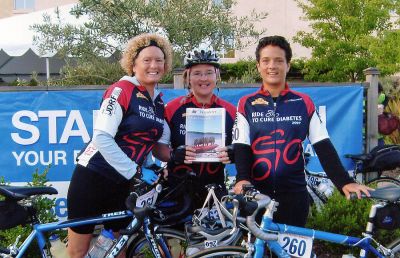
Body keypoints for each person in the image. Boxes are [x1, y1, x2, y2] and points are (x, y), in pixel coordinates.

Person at [232, 35, 371, 227]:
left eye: (279, 60)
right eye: (266, 61)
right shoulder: (246, 104)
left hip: (294, 197)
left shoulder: (303, 102)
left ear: (288, 65)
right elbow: (242, 146)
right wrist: (242, 179)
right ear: (258, 66)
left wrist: (344, 181)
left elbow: (323, 145)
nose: (272, 66)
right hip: (256, 196)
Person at [66, 33, 173, 258]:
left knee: (117, 249)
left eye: (159, 60)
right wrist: (135, 170)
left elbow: (146, 143)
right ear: (133, 64)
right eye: (147, 60)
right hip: (93, 177)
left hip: (122, 183)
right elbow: (102, 137)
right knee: (78, 251)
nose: (154, 65)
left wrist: (153, 164)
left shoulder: (158, 101)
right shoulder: (121, 90)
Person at [153, 47, 236, 211]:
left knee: (214, 236)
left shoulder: (231, 111)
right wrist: (172, 155)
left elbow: (242, 148)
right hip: (178, 188)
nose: (203, 78)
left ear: (217, 76)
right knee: (173, 235)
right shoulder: (172, 109)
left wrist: (234, 152)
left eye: (209, 72)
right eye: (197, 73)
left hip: (214, 189)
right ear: (188, 77)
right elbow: (158, 147)